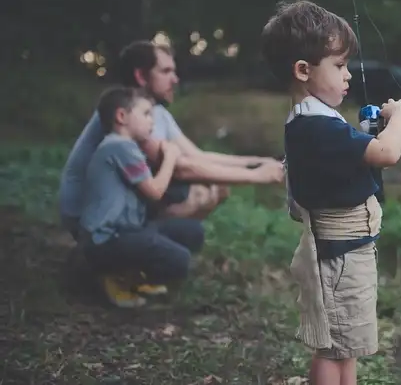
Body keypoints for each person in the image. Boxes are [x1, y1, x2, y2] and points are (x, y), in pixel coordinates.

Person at [261, 0, 401, 385]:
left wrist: (365, 135)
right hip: (341, 258)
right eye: (339, 65)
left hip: (346, 253)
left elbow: (354, 159)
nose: (348, 75)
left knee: (347, 345)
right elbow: (388, 153)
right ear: (303, 71)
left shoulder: (313, 122)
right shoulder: (317, 127)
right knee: (334, 348)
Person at [59, 40, 285, 241]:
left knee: (217, 187)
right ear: (140, 76)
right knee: (199, 192)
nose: (175, 79)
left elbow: (197, 156)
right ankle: (128, 257)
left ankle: (151, 250)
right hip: (85, 214)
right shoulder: (128, 114)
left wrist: (259, 160)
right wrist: (257, 176)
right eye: (165, 71)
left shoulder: (155, 112)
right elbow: (182, 169)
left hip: (118, 203)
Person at [79, 86, 205, 308]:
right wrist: (171, 157)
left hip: (128, 231)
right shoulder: (119, 147)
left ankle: (131, 273)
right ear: (121, 117)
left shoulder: (127, 147)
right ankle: (117, 277)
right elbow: (155, 192)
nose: (152, 122)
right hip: (106, 240)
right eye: (146, 114)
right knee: (180, 261)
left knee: (193, 231)